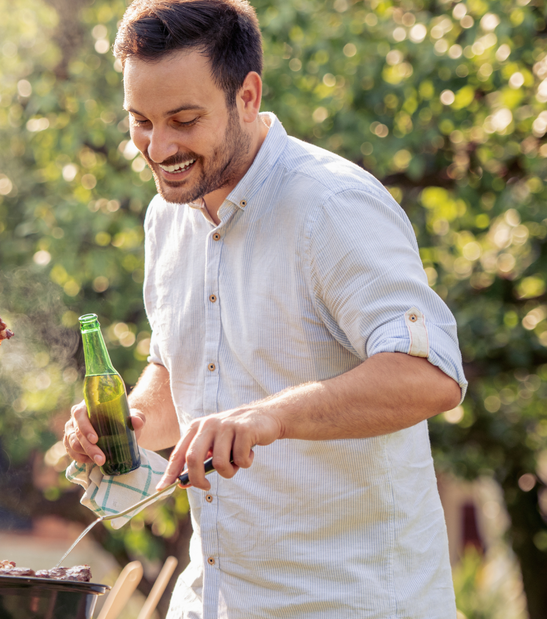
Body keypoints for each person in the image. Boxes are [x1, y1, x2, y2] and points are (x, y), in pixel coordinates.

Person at [62, 1, 467, 617]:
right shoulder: (166, 215)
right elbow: (181, 367)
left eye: (183, 119)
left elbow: (432, 376)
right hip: (214, 601)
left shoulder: (332, 205)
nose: (158, 146)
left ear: (246, 95)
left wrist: (267, 418)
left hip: (350, 603)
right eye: (140, 121)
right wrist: (132, 421)